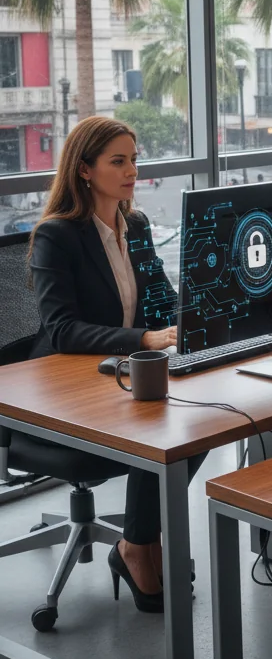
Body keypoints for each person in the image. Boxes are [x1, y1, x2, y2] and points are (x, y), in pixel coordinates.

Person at [28, 117, 204, 614]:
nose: (132, 171)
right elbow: (61, 329)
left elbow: (162, 299)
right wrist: (144, 337)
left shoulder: (138, 226)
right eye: (118, 161)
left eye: (134, 159)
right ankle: (139, 549)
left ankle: (138, 544)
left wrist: (190, 322)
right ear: (85, 169)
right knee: (162, 429)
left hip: (121, 375)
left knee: (205, 419)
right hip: (63, 389)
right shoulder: (56, 236)